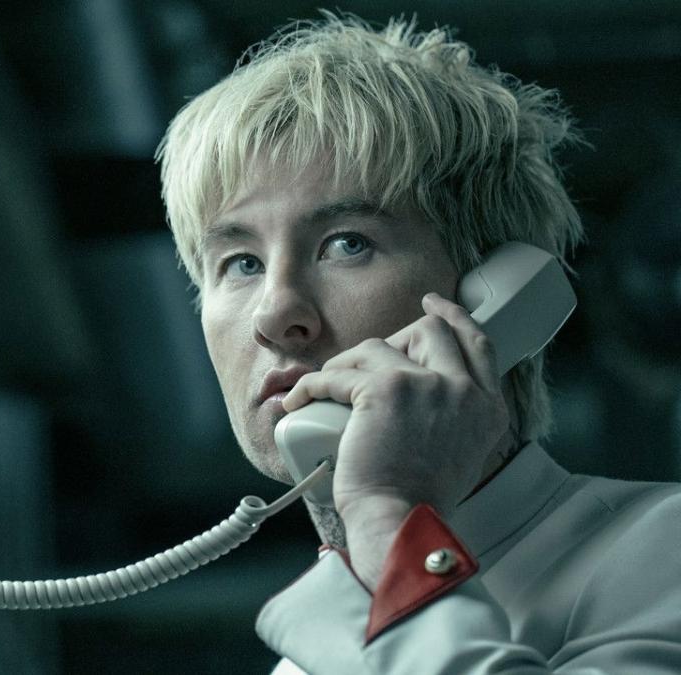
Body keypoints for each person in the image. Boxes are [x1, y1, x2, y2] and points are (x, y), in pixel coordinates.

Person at [156, 13, 681, 674]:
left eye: (348, 244)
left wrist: (388, 518)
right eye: (241, 263)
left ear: (498, 288)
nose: (274, 313)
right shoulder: (308, 655)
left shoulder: (663, 550)